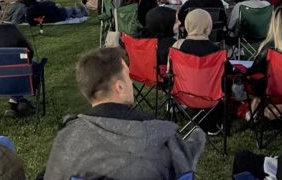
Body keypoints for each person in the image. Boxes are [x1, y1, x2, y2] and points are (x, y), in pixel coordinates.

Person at [44, 47, 205, 180]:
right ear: (119, 87)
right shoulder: (166, 141)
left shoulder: (66, 140)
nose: (131, 82)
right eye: (128, 76)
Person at [23, 0, 88, 25]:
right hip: (59, 15)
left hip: (52, 18)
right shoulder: (43, 4)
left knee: (71, 14)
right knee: (71, 9)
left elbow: (32, 22)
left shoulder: (29, 11)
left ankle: (78, 13)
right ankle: (81, 12)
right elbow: (52, 4)